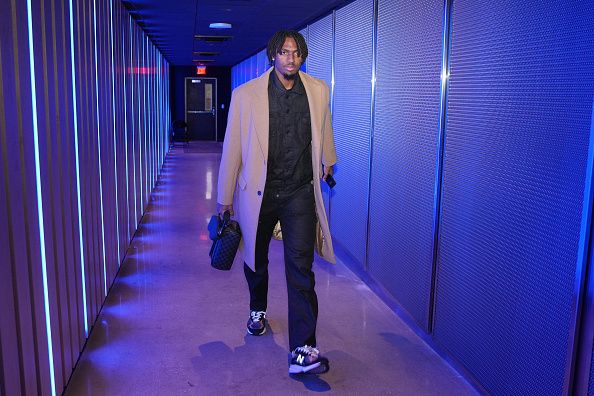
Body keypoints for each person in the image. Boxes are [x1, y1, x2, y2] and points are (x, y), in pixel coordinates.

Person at [217, 30, 337, 374]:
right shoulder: (246, 95)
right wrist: (225, 197)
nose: (290, 58)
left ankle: (304, 349)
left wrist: (329, 157)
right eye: (284, 52)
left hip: (300, 191)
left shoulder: (317, 90)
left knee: (301, 269)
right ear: (273, 55)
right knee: (255, 258)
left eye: (296, 53)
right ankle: (258, 309)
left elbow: (324, 128)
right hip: (260, 191)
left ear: (303, 57)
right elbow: (233, 148)